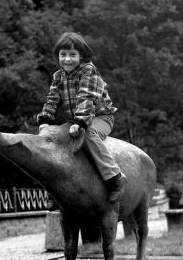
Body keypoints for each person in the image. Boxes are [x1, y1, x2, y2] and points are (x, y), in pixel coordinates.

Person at [37, 32, 126, 210]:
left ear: (81, 56)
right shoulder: (58, 77)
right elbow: (53, 99)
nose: (67, 59)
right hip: (76, 120)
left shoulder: (89, 71)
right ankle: (55, 190)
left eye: (72, 55)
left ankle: (115, 177)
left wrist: (81, 123)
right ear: (57, 56)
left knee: (89, 133)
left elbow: (87, 97)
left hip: (99, 117)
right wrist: (46, 119)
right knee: (54, 138)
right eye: (63, 55)